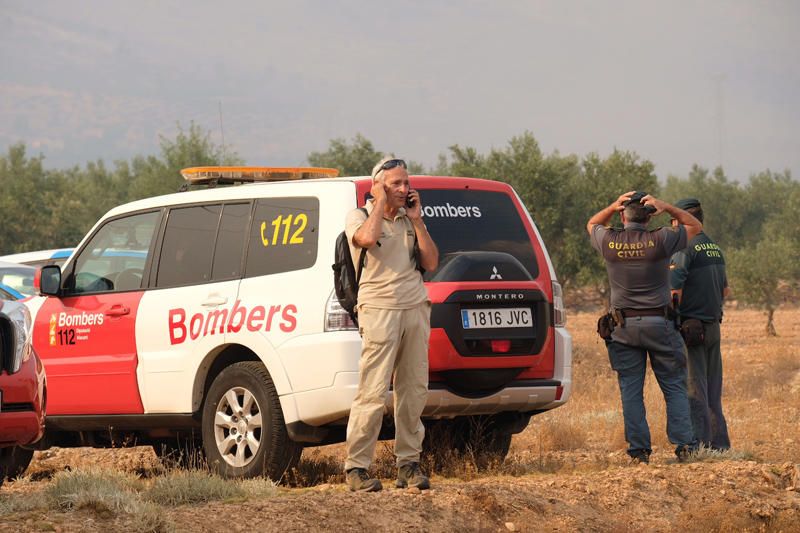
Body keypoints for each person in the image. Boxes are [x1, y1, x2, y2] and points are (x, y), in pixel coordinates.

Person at [343, 156, 439, 491]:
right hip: (379, 309)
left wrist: (418, 221)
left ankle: (408, 465)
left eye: (406, 183)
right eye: (396, 183)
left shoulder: (409, 219)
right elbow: (366, 240)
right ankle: (357, 468)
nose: (404, 189)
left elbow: (430, 261)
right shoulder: (359, 216)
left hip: (414, 307)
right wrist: (379, 203)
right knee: (372, 391)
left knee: (413, 390)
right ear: (379, 184)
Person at [587, 191, 701, 464]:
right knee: (673, 386)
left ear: (622, 216)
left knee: (630, 389)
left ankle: (639, 452)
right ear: (650, 216)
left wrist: (612, 206)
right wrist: (667, 206)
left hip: (623, 328)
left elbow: (591, 224)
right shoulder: (661, 239)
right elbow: (695, 226)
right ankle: (685, 446)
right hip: (660, 325)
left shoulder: (610, 241)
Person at [669, 198, 731, 451]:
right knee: (713, 388)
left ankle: (699, 446)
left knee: (694, 388)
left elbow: (675, 291)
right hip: (713, 326)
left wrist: (674, 318)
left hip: (692, 329)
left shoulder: (685, 247)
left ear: (680, 221)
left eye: (673, 222)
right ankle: (720, 445)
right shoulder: (714, 247)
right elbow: (726, 290)